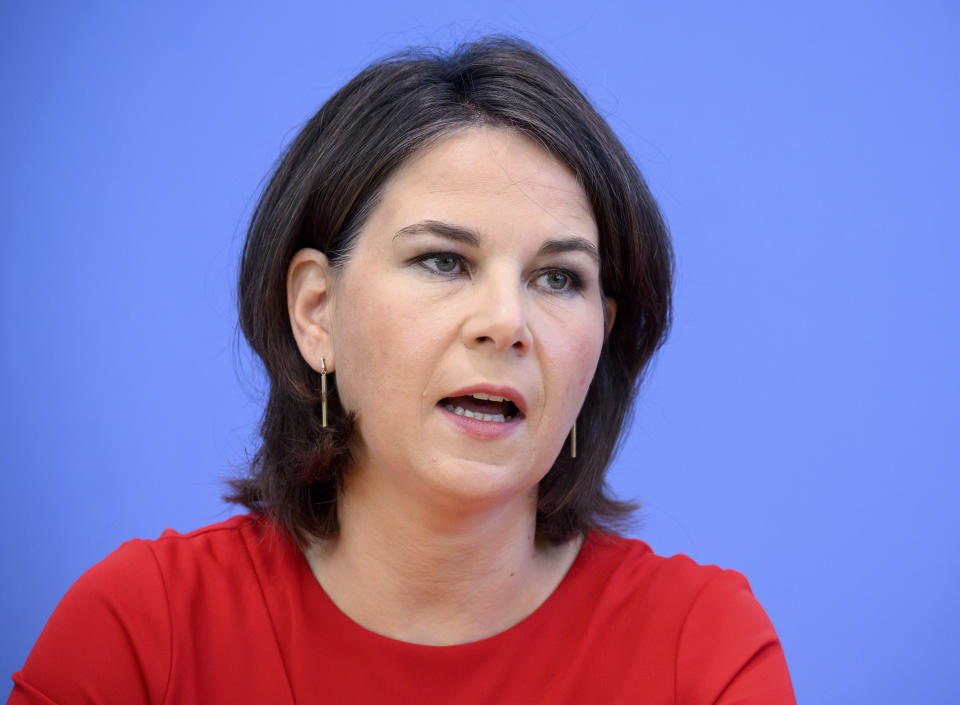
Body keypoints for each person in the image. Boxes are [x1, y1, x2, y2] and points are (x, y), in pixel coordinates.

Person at [8, 36, 795, 703]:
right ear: (317, 311)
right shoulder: (141, 632)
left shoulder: (703, 649)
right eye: (443, 260)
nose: (507, 323)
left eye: (559, 278)